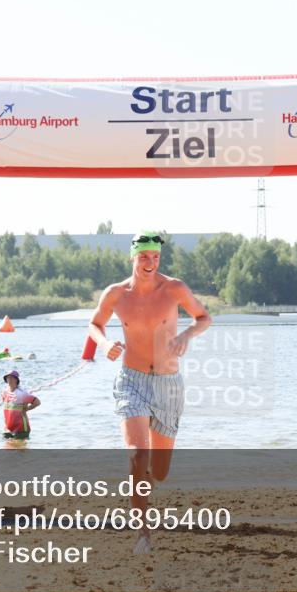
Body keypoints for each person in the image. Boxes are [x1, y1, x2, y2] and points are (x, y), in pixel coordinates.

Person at [88, 230, 212, 555]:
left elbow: (204, 317)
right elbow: (95, 324)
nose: (150, 263)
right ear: (133, 256)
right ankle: (142, 531)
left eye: (155, 257)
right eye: (144, 256)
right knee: (136, 456)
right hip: (132, 380)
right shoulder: (116, 294)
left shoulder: (174, 288)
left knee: (159, 470)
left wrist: (186, 335)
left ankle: (148, 481)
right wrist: (104, 343)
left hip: (168, 385)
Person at [1, 369, 39, 440]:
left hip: (21, 428)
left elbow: (37, 402)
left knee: (20, 449)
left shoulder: (22, 393)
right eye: (7, 378)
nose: (9, 379)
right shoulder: (4, 392)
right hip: (8, 428)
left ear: (16, 380)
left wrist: (26, 409)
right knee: (6, 448)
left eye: (11, 378)